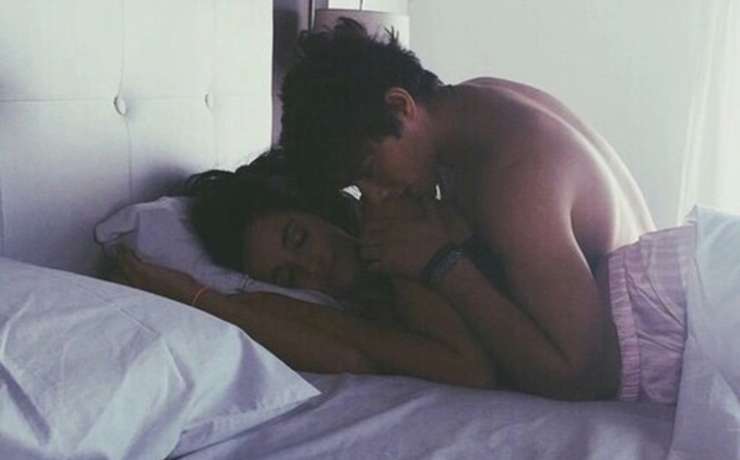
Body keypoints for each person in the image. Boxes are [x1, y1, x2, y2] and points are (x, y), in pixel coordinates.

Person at [278, 19, 658, 401]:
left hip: (652, 361)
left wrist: (441, 264)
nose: (374, 197)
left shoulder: (517, 181)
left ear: (400, 105)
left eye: (369, 169)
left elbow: (587, 376)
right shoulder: (477, 103)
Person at [115, 149, 495, 390]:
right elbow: (348, 361)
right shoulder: (346, 306)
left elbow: (467, 371)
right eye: (288, 277)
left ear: (319, 209)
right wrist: (198, 298)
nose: (312, 267)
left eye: (299, 239)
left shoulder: (395, 227)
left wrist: (199, 297)